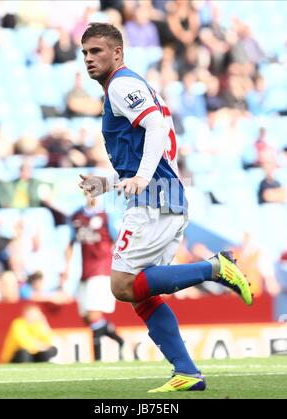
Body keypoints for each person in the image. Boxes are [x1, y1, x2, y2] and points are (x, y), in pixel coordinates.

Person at [78, 22, 252, 393]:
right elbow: (146, 150)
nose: (88, 59)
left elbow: (156, 129)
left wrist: (140, 178)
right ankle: (186, 371)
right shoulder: (126, 86)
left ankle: (214, 268)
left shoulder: (123, 84)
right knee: (140, 293)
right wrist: (108, 183)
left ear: (117, 53)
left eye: (96, 51)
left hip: (154, 197)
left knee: (123, 287)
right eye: (85, 53)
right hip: (163, 193)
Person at [63, 196, 124, 361]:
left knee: (93, 315)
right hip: (84, 272)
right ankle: (119, 340)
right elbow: (70, 243)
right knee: (85, 317)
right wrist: (66, 269)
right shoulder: (76, 216)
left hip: (101, 270)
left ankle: (96, 360)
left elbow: (119, 240)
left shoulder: (107, 216)